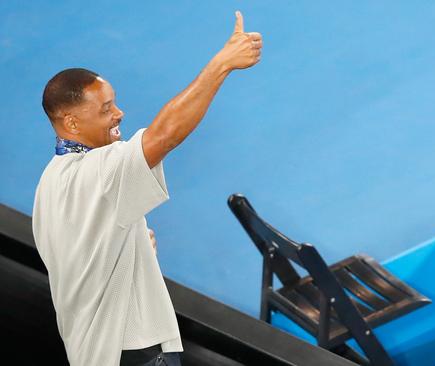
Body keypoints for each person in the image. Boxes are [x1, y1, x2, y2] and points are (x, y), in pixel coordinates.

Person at [31, 11, 262, 366]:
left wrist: (131, 248)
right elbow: (165, 136)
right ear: (72, 122)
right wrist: (222, 65)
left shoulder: (50, 183)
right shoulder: (101, 173)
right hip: (139, 357)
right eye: (107, 108)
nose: (119, 114)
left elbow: (82, 253)